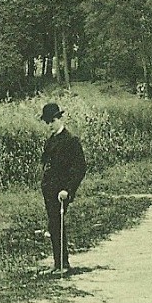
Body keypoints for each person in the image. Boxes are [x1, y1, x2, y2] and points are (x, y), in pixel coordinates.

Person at [39, 102, 87, 274]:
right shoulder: (50, 141)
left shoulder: (71, 141)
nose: (50, 125)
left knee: (56, 224)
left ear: (60, 118)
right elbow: (46, 164)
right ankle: (58, 263)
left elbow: (79, 168)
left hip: (62, 192)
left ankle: (62, 264)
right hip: (49, 190)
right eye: (47, 122)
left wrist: (68, 189)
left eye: (52, 121)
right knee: (53, 225)